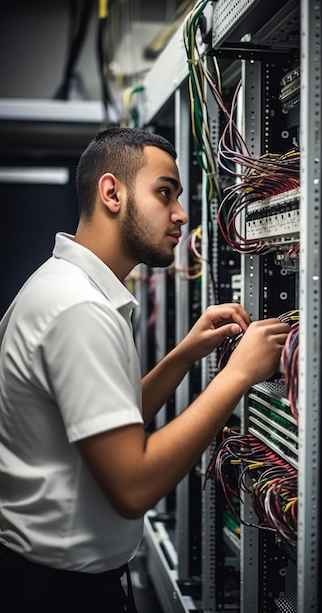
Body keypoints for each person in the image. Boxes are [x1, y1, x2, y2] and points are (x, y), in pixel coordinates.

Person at [0, 127, 290, 612]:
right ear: (111, 192)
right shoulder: (78, 309)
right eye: (164, 193)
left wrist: (185, 353)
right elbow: (132, 485)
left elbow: (107, 422)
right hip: (58, 593)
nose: (180, 214)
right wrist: (237, 375)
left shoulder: (64, 287)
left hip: (50, 579)